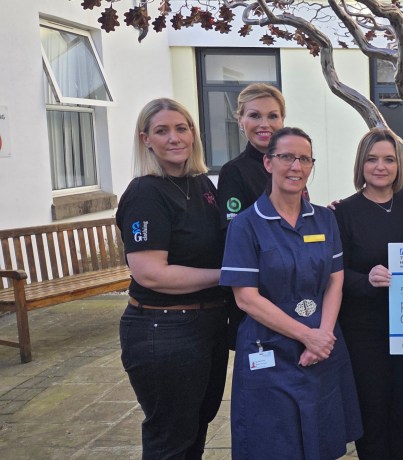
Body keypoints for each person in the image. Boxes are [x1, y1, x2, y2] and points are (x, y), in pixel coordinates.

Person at [220, 127, 362, 458]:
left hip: (321, 348)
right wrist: (307, 336)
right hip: (268, 348)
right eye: (286, 157)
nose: (295, 166)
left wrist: (323, 335)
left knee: (320, 438)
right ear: (268, 163)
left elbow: (335, 281)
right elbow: (246, 298)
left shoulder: (325, 220)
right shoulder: (245, 225)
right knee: (273, 443)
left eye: (304, 159)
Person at [116, 98, 228, 458]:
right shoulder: (145, 193)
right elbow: (152, 274)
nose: (174, 138)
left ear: (193, 133)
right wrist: (228, 276)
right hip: (163, 330)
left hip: (207, 324)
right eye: (162, 131)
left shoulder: (202, 185)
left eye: (181, 128)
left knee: (195, 425)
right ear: (146, 139)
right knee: (171, 438)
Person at [334, 128, 403, 460]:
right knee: (371, 411)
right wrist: (365, 280)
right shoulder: (344, 212)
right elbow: (336, 275)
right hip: (365, 330)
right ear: (361, 164)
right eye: (372, 159)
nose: (380, 166)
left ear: (399, 164)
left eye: (388, 159)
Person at [217, 83, 286, 226]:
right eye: (255, 115)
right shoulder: (233, 172)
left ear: (282, 120)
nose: (264, 124)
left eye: (273, 116)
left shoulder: (293, 164)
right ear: (240, 121)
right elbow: (232, 234)